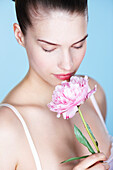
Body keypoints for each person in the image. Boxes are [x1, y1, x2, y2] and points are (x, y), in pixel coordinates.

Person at [0, 0, 112, 169]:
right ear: (19, 35)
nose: (67, 64)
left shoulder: (92, 95)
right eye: (49, 48)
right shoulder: (6, 129)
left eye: (78, 45)